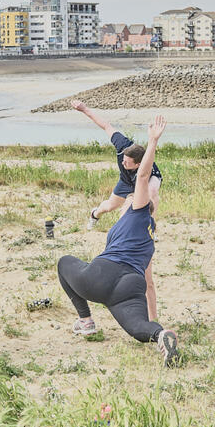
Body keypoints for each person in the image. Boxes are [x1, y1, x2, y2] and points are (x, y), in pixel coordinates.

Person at [56, 115, 180, 367]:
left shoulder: (136, 212)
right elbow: (149, 282)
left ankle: (85, 321)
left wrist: (153, 142)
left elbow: (143, 177)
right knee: (138, 328)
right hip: (130, 287)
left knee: (64, 262)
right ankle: (160, 334)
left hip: (104, 273)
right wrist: (151, 315)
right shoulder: (149, 235)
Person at [70, 98, 164, 319]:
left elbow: (148, 193)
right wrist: (84, 109)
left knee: (142, 202)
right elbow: (106, 125)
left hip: (140, 188)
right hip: (125, 184)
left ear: (139, 164)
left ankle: (145, 232)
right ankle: (94, 214)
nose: (123, 162)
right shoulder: (124, 146)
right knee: (108, 206)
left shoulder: (150, 175)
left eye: (127, 163)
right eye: (123, 160)